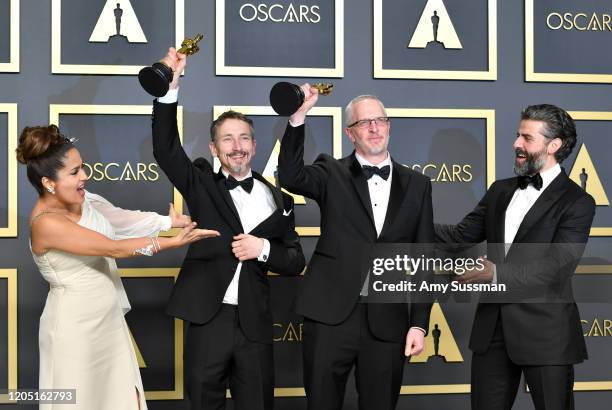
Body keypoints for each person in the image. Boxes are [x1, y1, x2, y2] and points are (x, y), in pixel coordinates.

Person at [17, 125, 219, 410]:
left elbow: (118, 219)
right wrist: (172, 243)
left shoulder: (82, 199)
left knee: (125, 399)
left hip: (108, 320)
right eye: (74, 173)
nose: (84, 177)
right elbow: (112, 247)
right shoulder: (46, 224)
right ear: (49, 183)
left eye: (82, 168)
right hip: (74, 329)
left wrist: (167, 223)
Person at [151, 48, 306, 410]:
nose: (237, 148)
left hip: (256, 323)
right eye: (227, 140)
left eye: (244, 139)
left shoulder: (279, 199)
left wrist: (262, 250)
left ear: (254, 145)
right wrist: (169, 90)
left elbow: (294, 260)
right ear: (214, 148)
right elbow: (167, 150)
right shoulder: (202, 185)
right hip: (209, 318)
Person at [278, 86, 434, 410]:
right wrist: (298, 117)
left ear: (389, 125)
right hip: (329, 315)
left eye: (380, 120)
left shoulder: (418, 185)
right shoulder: (330, 171)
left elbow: (423, 257)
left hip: (387, 321)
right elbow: (291, 177)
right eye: (365, 123)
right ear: (351, 133)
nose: (374, 128)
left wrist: (419, 322)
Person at [435, 104, 596, 410]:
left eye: (526, 138)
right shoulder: (500, 191)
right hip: (492, 332)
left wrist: (495, 275)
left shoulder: (578, 202)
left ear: (554, 145)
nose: (516, 144)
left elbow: (556, 268)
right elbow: (457, 237)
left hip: (547, 335)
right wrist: (400, 224)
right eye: (517, 135)